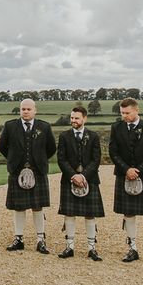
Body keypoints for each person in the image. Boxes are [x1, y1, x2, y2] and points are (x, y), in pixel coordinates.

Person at [109, 97, 143, 267]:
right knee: (129, 212)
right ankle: (132, 248)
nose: (124, 116)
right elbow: (113, 152)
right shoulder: (116, 127)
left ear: (136, 110)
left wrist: (138, 170)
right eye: (122, 113)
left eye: (127, 113)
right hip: (124, 174)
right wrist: (126, 169)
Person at [0, 98, 56, 253]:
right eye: (23, 109)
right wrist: (13, 160)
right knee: (19, 207)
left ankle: (40, 240)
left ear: (35, 110)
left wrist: (39, 159)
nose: (26, 112)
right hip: (17, 171)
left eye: (29, 109)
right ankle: (18, 239)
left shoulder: (44, 126)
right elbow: (2, 146)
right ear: (20, 110)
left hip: (38, 171)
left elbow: (51, 148)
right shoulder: (10, 126)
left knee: (38, 206)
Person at [56, 105, 104, 261]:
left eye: (76, 118)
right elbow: (61, 160)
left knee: (90, 215)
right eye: (72, 118)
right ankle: (69, 247)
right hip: (69, 180)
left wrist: (83, 176)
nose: (73, 121)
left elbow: (96, 159)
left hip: (89, 180)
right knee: (69, 213)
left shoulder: (93, 136)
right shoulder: (64, 136)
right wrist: (73, 176)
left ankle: (92, 248)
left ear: (84, 118)